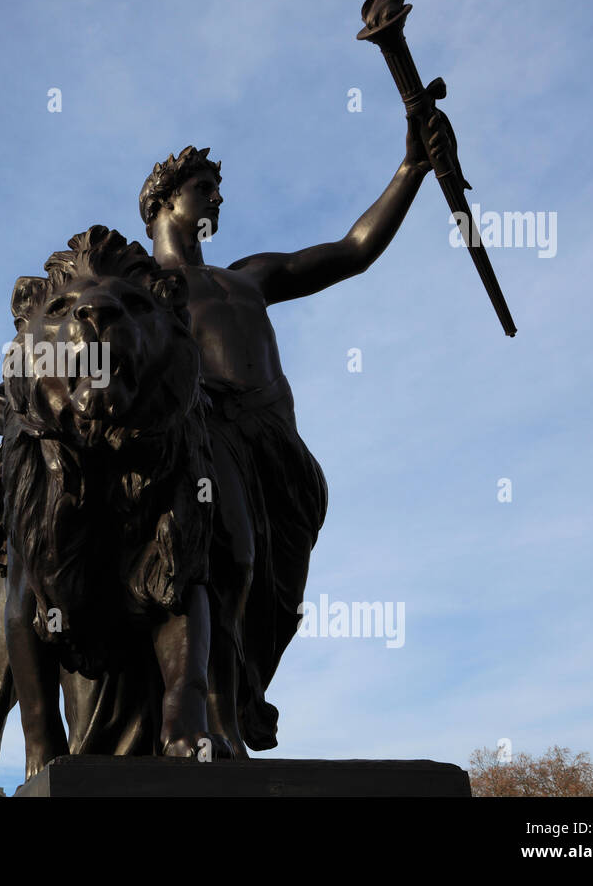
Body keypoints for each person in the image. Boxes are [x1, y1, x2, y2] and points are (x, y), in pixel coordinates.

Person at [137, 115, 438, 750]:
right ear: (164, 200)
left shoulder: (251, 275)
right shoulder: (142, 291)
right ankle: (213, 718)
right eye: (203, 188)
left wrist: (411, 169)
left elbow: (354, 251)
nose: (217, 199)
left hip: (280, 450)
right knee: (235, 562)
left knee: (278, 590)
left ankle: (243, 694)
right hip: (209, 437)